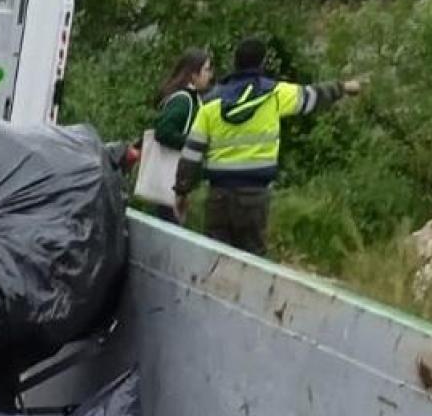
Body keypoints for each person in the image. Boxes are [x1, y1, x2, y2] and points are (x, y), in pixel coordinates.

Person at [174, 36, 361, 256]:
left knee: (216, 260)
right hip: (254, 196)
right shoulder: (274, 94)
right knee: (253, 259)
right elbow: (312, 95)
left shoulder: (210, 103)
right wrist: (344, 87)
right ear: (261, 64)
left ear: (236, 63)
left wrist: (182, 191)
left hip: (219, 197)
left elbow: (191, 153)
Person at [149, 48, 214, 223]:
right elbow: (163, 131)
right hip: (173, 179)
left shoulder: (192, 99)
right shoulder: (184, 101)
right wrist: (196, 143)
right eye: (206, 70)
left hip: (175, 181)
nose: (210, 75)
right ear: (194, 74)